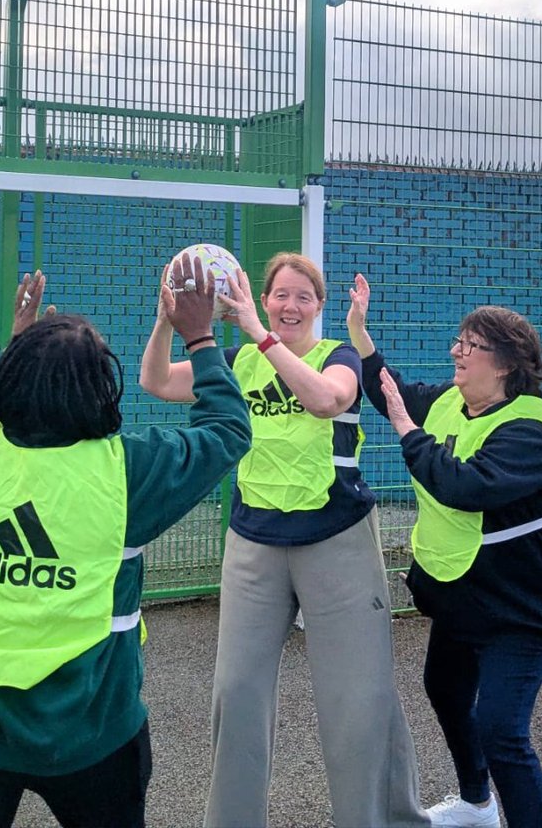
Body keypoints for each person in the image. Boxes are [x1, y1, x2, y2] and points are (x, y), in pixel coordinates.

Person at [0, 259, 251, 828]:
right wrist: (201, 336)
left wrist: (11, 347)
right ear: (101, 390)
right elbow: (227, 429)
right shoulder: (128, 473)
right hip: (94, 733)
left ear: (10, 381)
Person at [140, 252, 429, 828]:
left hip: (337, 537)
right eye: (280, 295)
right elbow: (154, 381)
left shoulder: (336, 357)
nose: (290, 306)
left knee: (358, 700)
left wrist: (258, 333)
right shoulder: (235, 361)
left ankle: (380, 819)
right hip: (255, 544)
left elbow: (327, 400)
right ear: (263, 297)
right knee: (237, 693)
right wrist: (168, 321)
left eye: (303, 297)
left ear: (319, 307)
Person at [346, 273, 542, 828]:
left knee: (502, 729)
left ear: (504, 364)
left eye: (470, 346)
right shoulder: (452, 401)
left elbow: (465, 487)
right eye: (459, 341)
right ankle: (477, 804)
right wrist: (361, 337)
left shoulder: (532, 432)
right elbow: (390, 393)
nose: (457, 351)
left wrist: (406, 429)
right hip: (461, 592)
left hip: (520, 603)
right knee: (444, 689)